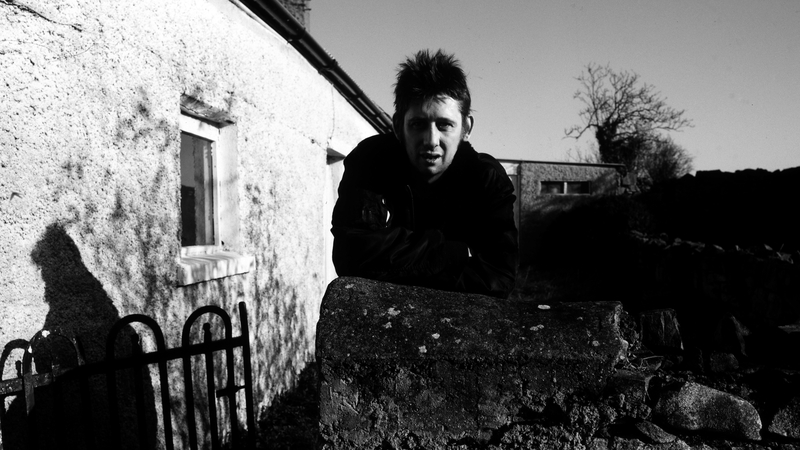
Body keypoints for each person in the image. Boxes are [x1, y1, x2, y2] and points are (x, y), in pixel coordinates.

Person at [331, 49, 518, 298]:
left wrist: (393, 257)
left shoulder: (486, 178)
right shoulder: (371, 161)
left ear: (466, 128)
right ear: (398, 126)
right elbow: (350, 254)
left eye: (444, 125)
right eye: (418, 124)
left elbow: (499, 278)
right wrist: (456, 253)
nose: (431, 140)